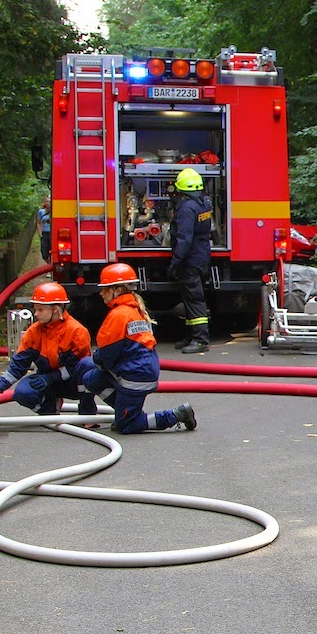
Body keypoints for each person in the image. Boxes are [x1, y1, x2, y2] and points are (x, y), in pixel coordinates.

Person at [75, 263, 196, 434]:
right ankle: (124, 412)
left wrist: (95, 358)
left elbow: (108, 356)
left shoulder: (119, 315)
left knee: (126, 426)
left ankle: (176, 415)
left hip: (135, 375)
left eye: (105, 289)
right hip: (139, 370)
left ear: (116, 290)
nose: (101, 293)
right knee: (92, 378)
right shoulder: (133, 309)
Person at [0, 281, 95, 417]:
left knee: (88, 367)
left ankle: (87, 412)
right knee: (22, 393)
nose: (36, 314)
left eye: (40, 310)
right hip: (46, 382)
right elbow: (18, 365)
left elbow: (76, 367)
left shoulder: (77, 331)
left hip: (72, 383)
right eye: (35, 309)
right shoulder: (33, 332)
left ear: (56, 309)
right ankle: (50, 411)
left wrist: (50, 378)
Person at [168, 167, 213, 353]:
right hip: (201, 256)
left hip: (190, 260)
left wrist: (175, 263)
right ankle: (190, 335)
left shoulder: (187, 208)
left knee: (195, 299)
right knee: (189, 299)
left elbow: (184, 239)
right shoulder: (204, 203)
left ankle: (201, 340)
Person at [37, 196, 52, 263]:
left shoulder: (54, 211)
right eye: (47, 201)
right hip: (44, 234)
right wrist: (40, 233)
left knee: (52, 252)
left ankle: (51, 270)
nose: (48, 203)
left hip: (52, 233)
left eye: (49, 201)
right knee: (44, 253)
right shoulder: (41, 212)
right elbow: (38, 223)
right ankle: (49, 265)